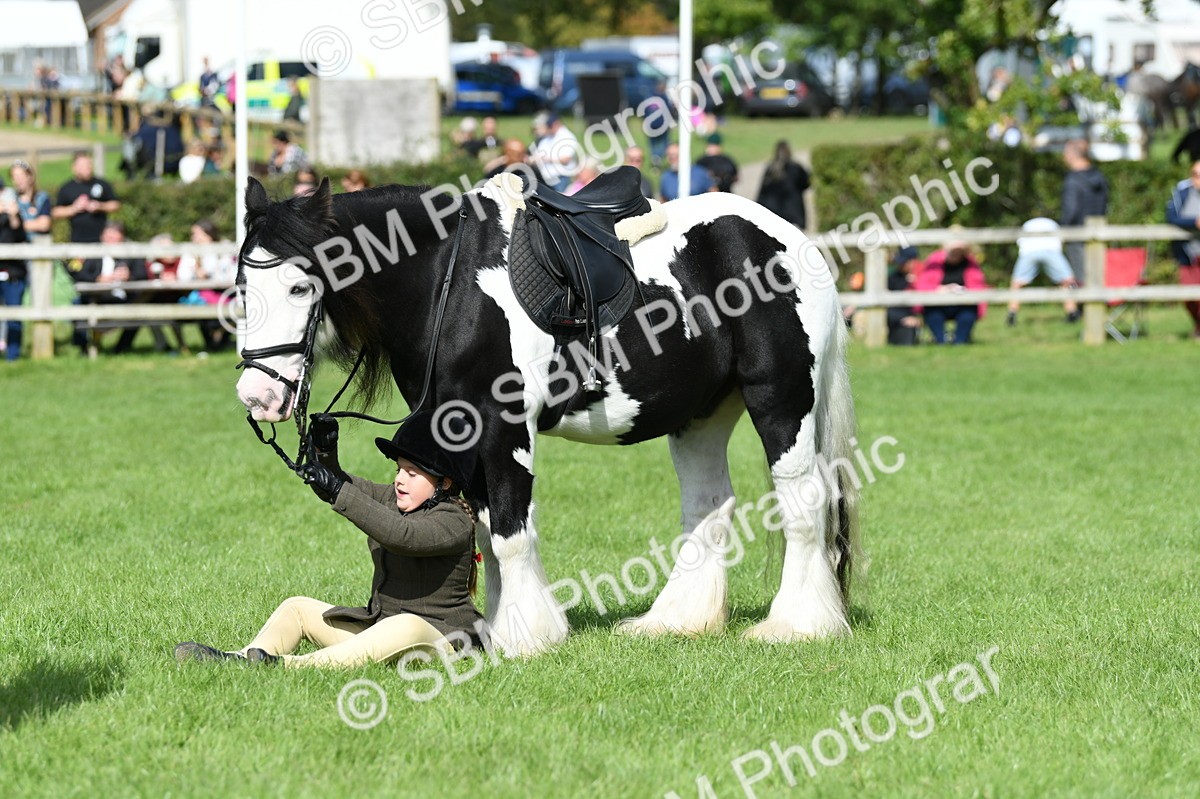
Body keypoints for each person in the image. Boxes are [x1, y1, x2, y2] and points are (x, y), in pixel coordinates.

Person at [174, 410, 484, 668]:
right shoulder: (394, 498)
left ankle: (287, 667)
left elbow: (402, 536)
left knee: (403, 625)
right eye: (399, 469)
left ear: (445, 482)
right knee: (296, 607)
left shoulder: (455, 520)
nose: (400, 480)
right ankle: (240, 660)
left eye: (413, 473)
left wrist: (337, 490)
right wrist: (325, 456)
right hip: (380, 633)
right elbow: (345, 485)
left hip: (442, 642)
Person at [71, 221, 148, 354]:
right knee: (77, 305)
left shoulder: (132, 254)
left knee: (140, 311)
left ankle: (121, 349)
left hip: (123, 298)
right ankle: (83, 348)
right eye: (108, 238)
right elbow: (79, 274)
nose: (111, 242)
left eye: (115, 238)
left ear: (122, 239)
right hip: (96, 297)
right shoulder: (92, 254)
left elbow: (143, 276)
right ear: (102, 237)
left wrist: (129, 277)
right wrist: (98, 279)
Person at [2, 161, 52, 360]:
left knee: (39, 301)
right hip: (14, 257)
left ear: (31, 177)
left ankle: (40, 346)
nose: (18, 181)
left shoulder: (41, 199)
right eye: (14, 177)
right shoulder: (9, 197)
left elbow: (44, 224)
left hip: (37, 255)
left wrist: (20, 223)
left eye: (21, 176)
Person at [914, 235, 989, 344]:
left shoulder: (971, 263)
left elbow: (978, 286)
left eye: (959, 251)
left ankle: (959, 341)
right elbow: (922, 285)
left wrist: (963, 291)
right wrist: (940, 289)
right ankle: (941, 340)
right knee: (932, 312)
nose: (956, 254)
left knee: (968, 313)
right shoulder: (934, 262)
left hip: (963, 303)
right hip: (938, 303)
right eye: (953, 251)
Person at [1006, 216, 1079, 326]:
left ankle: (1012, 314)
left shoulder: (1027, 223)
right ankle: (1072, 313)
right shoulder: (1053, 223)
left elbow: (1020, 242)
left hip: (1029, 250)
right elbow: (1060, 240)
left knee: (1017, 283)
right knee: (1067, 281)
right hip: (1051, 249)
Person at [1061, 139, 1109, 290]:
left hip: (1077, 235)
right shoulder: (1099, 177)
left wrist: (1062, 230)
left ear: (1071, 155)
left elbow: (1071, 209)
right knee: (1096, 276)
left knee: (1081, 278)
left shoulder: (1073, 181)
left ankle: (1084, 310)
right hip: (1098, 233)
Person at [1165, 159, 1200, 338]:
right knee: (1189, 294)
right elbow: (1171, 217)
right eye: (1195, 174)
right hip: (1188, 251)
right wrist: (1194, 222)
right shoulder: (1182, 192)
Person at [53, 152, 121, 243]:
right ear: (74, 168)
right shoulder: (66, 188)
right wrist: (74, 208)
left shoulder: (102, 184)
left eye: (89, 164)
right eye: (83, 165)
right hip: (77, 240)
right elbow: (56, 212)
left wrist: (100, 206)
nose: (87, 168)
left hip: (102, 240)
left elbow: (116, 205)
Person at [0, 180, 28, 361]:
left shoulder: (13, 215)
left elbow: (20, 235)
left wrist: (13, 215)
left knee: (14, 314)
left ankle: (13, 356)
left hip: (13, 273)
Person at [755, 140, 810, 229]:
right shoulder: (796, 168)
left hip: (773, 215)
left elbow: (762, 192)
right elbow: (806, 184)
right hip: (794, 214)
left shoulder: (770, 169)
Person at [530, 113, 580, 193]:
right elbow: (538, 152)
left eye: (550, 126)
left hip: (561, 177)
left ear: (557, 124)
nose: (549, 128)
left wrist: (546, 159)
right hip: (546, 177)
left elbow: (566, 159)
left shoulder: (567, 136)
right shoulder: (548, 137)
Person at [886, 246, 923, 346]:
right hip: (897, 317)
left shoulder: (923, 276)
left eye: (904, 262)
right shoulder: (892, 278)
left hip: (915, 316)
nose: (900, 264)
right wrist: (903, 318)